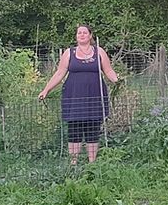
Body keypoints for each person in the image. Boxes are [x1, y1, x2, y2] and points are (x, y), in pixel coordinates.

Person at [38, 25, 120, 165]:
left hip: (94, 96)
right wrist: (46, 90)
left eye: (84, 32)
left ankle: (92, 164)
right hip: (74, 96)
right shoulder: (69, 53)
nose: (81, 35)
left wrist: (118, 81)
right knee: (74, 128)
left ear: (90, 36)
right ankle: (73, 164)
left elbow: (109, 71)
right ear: (76, 36)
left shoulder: (99, 52)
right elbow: (59, 73)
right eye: (79, 33)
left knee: (93, 128)